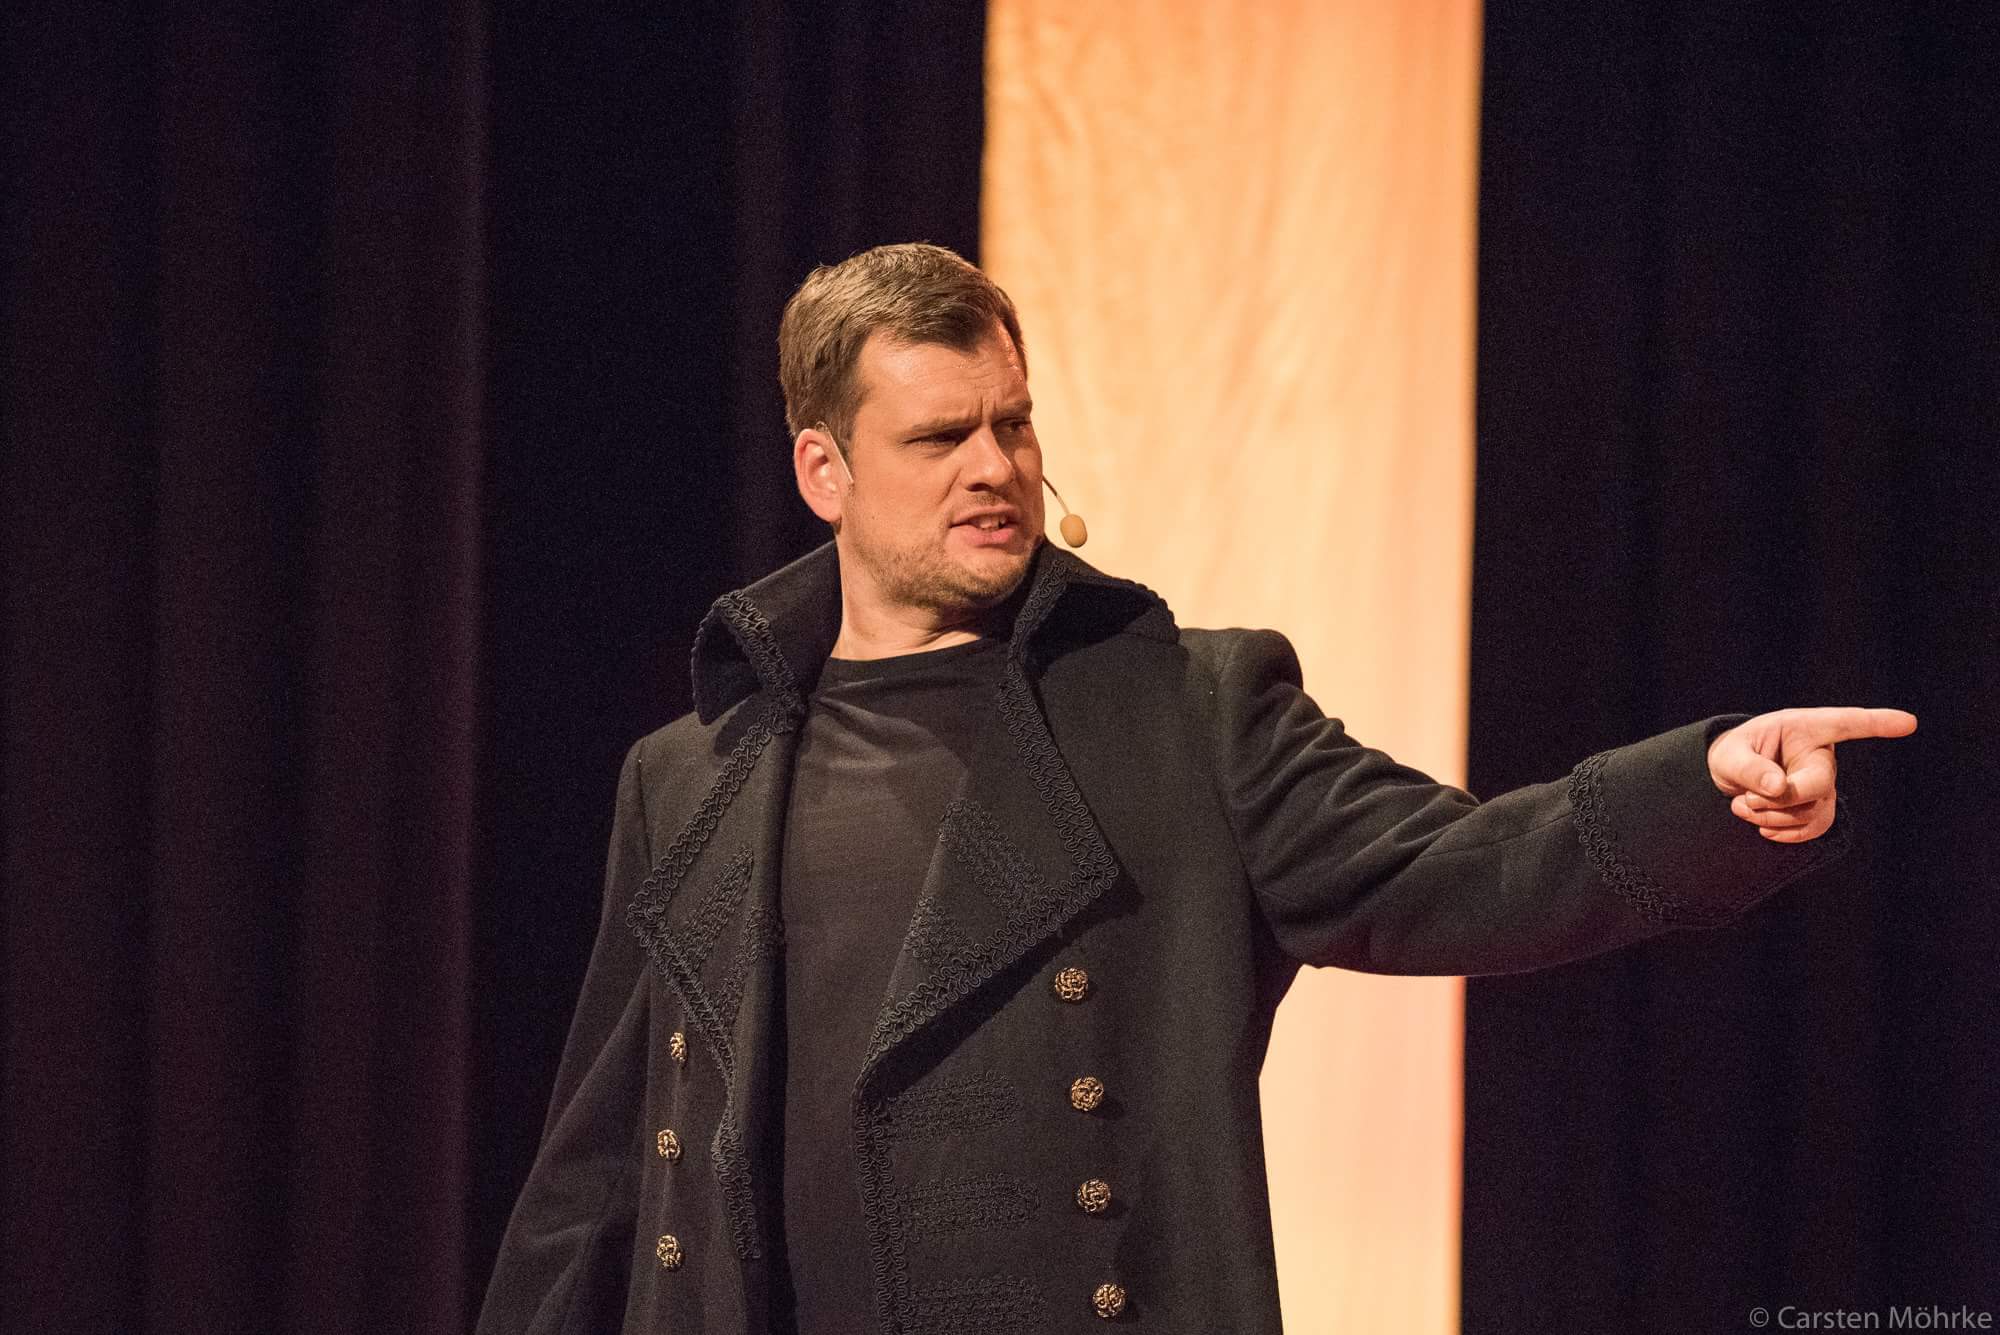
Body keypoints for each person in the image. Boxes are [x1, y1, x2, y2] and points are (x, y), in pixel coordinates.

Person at [476, 243, 1915, 1335]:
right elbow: (597, 1170)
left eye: (1014, 425)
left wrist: (1705, 795)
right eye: (939, 438)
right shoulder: (692, 771)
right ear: (824, 470)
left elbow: (1451, 868)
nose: (996, 469)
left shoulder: (1179, 707)